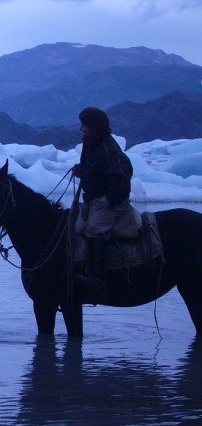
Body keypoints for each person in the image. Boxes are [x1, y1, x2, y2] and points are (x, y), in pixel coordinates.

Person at [73, 107, 133, 296]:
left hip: (108, 201)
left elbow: (122, 175)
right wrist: (83, 170)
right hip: (93, 199)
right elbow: (97, 169)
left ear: (94, 127)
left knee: (94, 230)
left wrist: (110, 200)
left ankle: (97, 278)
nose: (81, 128)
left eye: (85, 125)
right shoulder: (92, 143)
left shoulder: (108, 148)